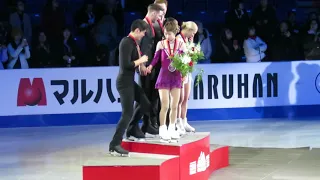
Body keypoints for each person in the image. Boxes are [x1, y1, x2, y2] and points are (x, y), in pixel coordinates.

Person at [109, 19, 153, 156]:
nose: (143, 36)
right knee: (127, 113)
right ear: (137, 30)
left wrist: (142, 67)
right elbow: (125, 65)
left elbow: (134, 65)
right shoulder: (126, 42)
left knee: (146, 104)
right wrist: (141, 61)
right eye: (143, 33)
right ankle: (114, 144)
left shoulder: (134, 43)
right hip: (124, 83)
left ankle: (132, 129)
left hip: (130, 82)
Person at [128, 4, 164, 139]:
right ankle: (132, 127)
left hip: (154, 66)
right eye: (159, 14)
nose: (161, 17)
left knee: (152, 97)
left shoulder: (155, 24)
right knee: (142, 98)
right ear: (153, 13)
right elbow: (137, 46)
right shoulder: (143, 25)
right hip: (145, 66)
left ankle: (147, 124)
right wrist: (141, 65)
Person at [147, 20, 185, 142]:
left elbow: (185, 62)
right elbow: (155, 59)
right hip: (163, 77)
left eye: (170, 33)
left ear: (175, 32)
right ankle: (162, 129)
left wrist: (184, 73)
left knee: (174, 106)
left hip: (176, 77)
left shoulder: (181, 44)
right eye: (166, 33)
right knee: (165, 105)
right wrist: (150, 67)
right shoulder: (161, 44)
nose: (167, 36)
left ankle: (172, 128)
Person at [176, 21, 198, 134]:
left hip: (187, 71)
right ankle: (178, 123)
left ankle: (184, 121)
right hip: (180, 72)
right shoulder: (178, 39)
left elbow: (191, 54)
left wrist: (192, 43)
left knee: (186, 99)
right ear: (188, 30)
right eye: (193, 32)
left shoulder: (188, 40)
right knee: (179, 99)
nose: (193, 35)